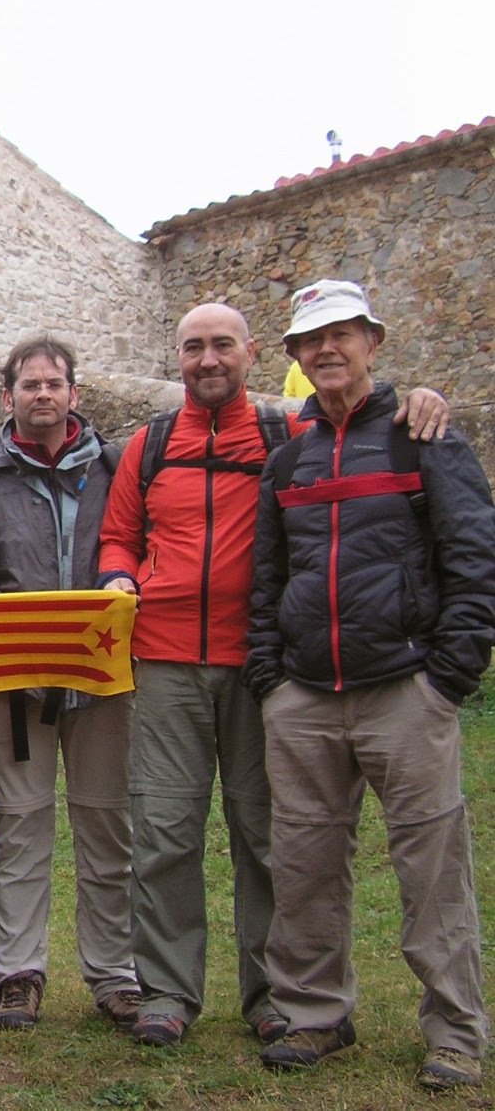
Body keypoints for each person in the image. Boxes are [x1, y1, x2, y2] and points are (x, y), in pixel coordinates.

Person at [97, 303, 449, 1048]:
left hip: (267, 667)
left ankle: (273, 994)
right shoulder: (149, 444)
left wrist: (424, 397)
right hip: (162, 662)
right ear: (179, 358)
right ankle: (165, 990)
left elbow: (353, 423)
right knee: (163, 832)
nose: (208, 359)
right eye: (194, 348)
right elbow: (119, 535)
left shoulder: (286, 433)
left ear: (252, 353)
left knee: (268, 837)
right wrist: (119, 577)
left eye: (223, 344)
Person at [245, 279, 495, 1090]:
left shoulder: (423, 438)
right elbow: (268, 575)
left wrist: (448, 676)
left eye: (342, 334)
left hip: (405, 689)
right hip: (307, 696)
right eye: (311, 340)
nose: (327, 350)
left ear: (372, 342)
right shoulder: (286, 458)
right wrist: (271, 680)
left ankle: (454, 1030)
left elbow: (473, 559)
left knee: (432, 864)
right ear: (292, 357)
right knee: (307, 860)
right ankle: (316, 1015)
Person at [0, 335, 138, 1031]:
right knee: (19, 827)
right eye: (29, 385)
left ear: (75, 394)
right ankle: (17, 973)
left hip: (104, 678)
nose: (41, 394)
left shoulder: (115, 468)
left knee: (107, 821)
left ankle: (116, 974)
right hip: (17, 686)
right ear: (8, 396)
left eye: (53, 384)